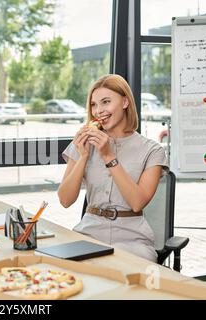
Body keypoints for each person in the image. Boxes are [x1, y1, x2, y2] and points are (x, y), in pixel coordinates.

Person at [58, 74, 168, 262]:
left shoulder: (152, 150)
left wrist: (108, 155)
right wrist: (83, 156)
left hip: (133, 239)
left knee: (127, 275)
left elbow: (137, 202)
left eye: (106, 102)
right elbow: (65, 200)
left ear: (125, 102)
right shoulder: (83, 144)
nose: (98, 111)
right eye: (94, 105)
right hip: (88, 234)